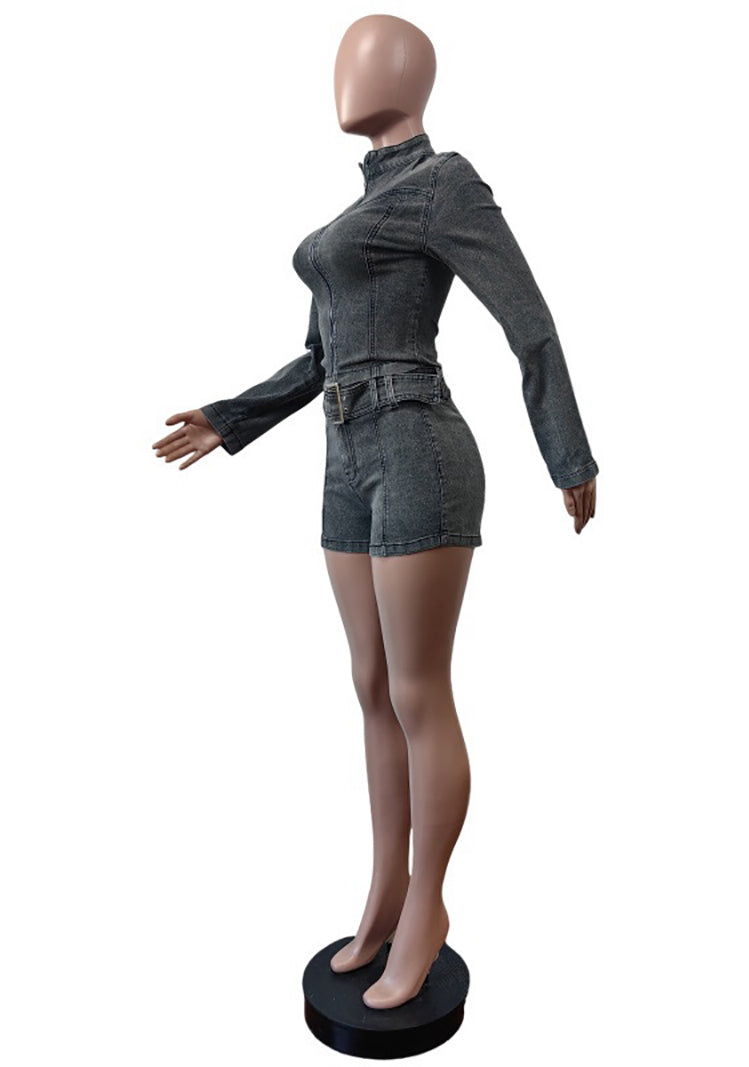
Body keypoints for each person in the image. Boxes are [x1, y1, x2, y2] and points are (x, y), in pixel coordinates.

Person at [152, 13, 599, 1011]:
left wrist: (567, 455)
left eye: (367, 56)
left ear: (410, 76)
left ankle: (428, 905)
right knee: (369, 685)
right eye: (344, 55)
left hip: (415, 443)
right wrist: (231, 417)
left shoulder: (445, 183)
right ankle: (384, 891)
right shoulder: (354, 215)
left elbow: (528, 322)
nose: (345, 74)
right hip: (343, 452)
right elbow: (319, 357)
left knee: (416, 687)